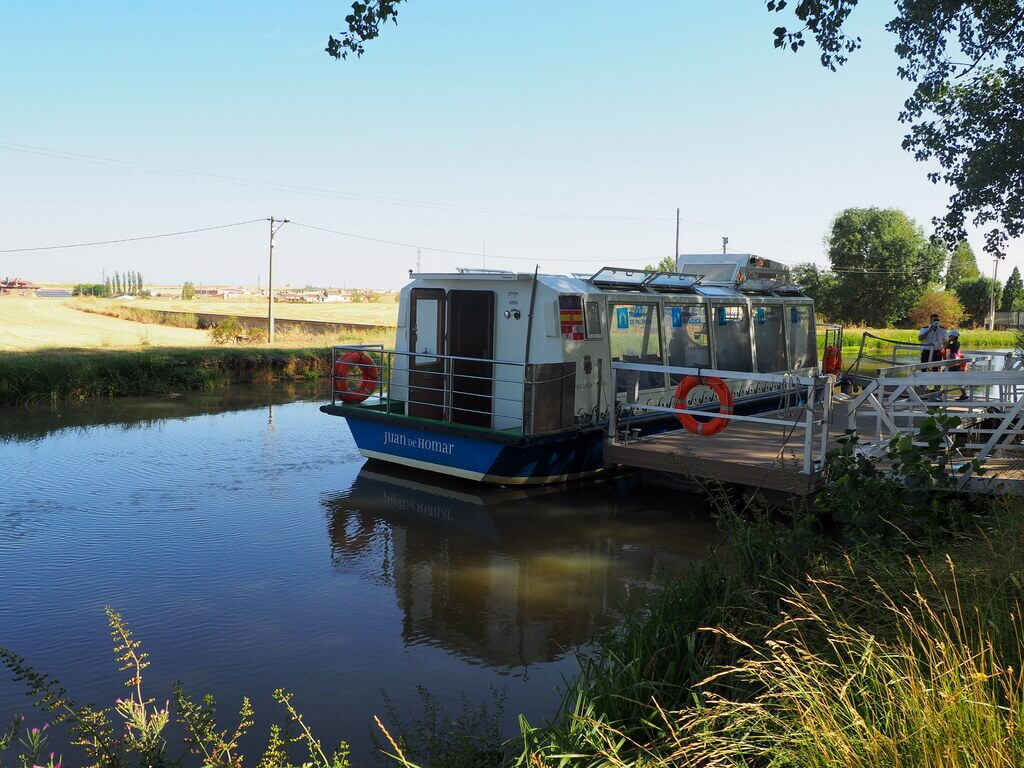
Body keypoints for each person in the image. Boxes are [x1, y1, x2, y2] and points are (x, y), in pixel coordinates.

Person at [943, 329, 970, 401]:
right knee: (958, 380)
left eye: (950, 337)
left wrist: (948, 340)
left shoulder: (955, 344)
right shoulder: (956, 343)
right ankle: (964, 395)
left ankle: (938, 393)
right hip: (955, 362)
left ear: (953, 337)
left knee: (942, 376)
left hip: (954, 363)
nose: (949, 338)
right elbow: (945, 346)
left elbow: (945, 346)